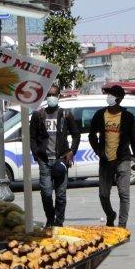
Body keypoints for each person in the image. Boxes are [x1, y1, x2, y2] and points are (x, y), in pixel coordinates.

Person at [88, 84, 135, 228]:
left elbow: (134, 140)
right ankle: (110, 214)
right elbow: (92, 135)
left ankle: (122, 225)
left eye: (112, 95)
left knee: (124, 194)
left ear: (119, 99)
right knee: (103, 194)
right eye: (109, 94)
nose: (109, 97)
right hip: (106, 160)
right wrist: (98, 151)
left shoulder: (127, 117)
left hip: (123, 159)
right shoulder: (100, 114)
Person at [29, 84, 81, 228]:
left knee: (60, 194)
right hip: (44, 160)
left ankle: (59, 221)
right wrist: (36, 154)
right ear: (46, 97)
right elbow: (31, 137)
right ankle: (50, 218)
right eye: (49, 95)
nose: (51, 97)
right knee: (46, 193)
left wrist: (72, 151)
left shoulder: (66, 115)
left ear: (58, 96)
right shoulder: (38, 115)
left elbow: (76, 135)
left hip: (61, 160)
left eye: (54, 95)